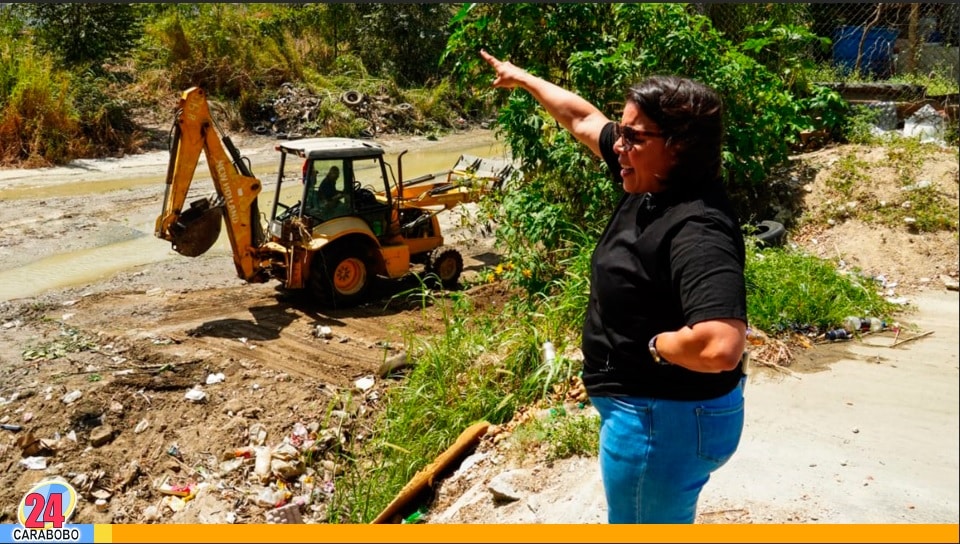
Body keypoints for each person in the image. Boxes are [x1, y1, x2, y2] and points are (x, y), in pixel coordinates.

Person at [480, 49, 748, 524]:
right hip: (659, 415)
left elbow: (719, 345)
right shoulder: (651, 181)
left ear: (680, 146)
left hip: (662, 420)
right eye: (620, 132)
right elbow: (582, 118)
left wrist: (657, 345)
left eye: (633, 136)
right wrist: (523, 78)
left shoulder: (697, 226)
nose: (618, 145)